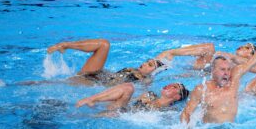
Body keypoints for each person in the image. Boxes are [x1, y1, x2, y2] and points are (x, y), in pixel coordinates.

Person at [180, 23, 256, 124]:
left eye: (228, 69)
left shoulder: (234, 79)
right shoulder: (202, 89)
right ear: (213, 70)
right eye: (222, 70)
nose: (227, 73)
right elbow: (186, 113)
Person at [45, 39, 215, 86]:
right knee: (104, 44)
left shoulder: (146, 81)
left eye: (149, 65)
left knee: (45, 84)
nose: (144, 64)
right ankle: (66, 45)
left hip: (90, 82)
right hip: (96, 74)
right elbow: (208, 47)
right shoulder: (145, 72)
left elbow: (209, 50)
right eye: (147, 61)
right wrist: (172, 53)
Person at [76, 82, 189, 116]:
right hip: (119, 110)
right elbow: (127, 100)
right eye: (170, 84)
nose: (168, 85)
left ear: (177, 97)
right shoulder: (149, 95)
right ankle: (92, 99)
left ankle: (91, 104)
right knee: (128, 87)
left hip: (120, 115)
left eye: (174, 87)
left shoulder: (169, 112)